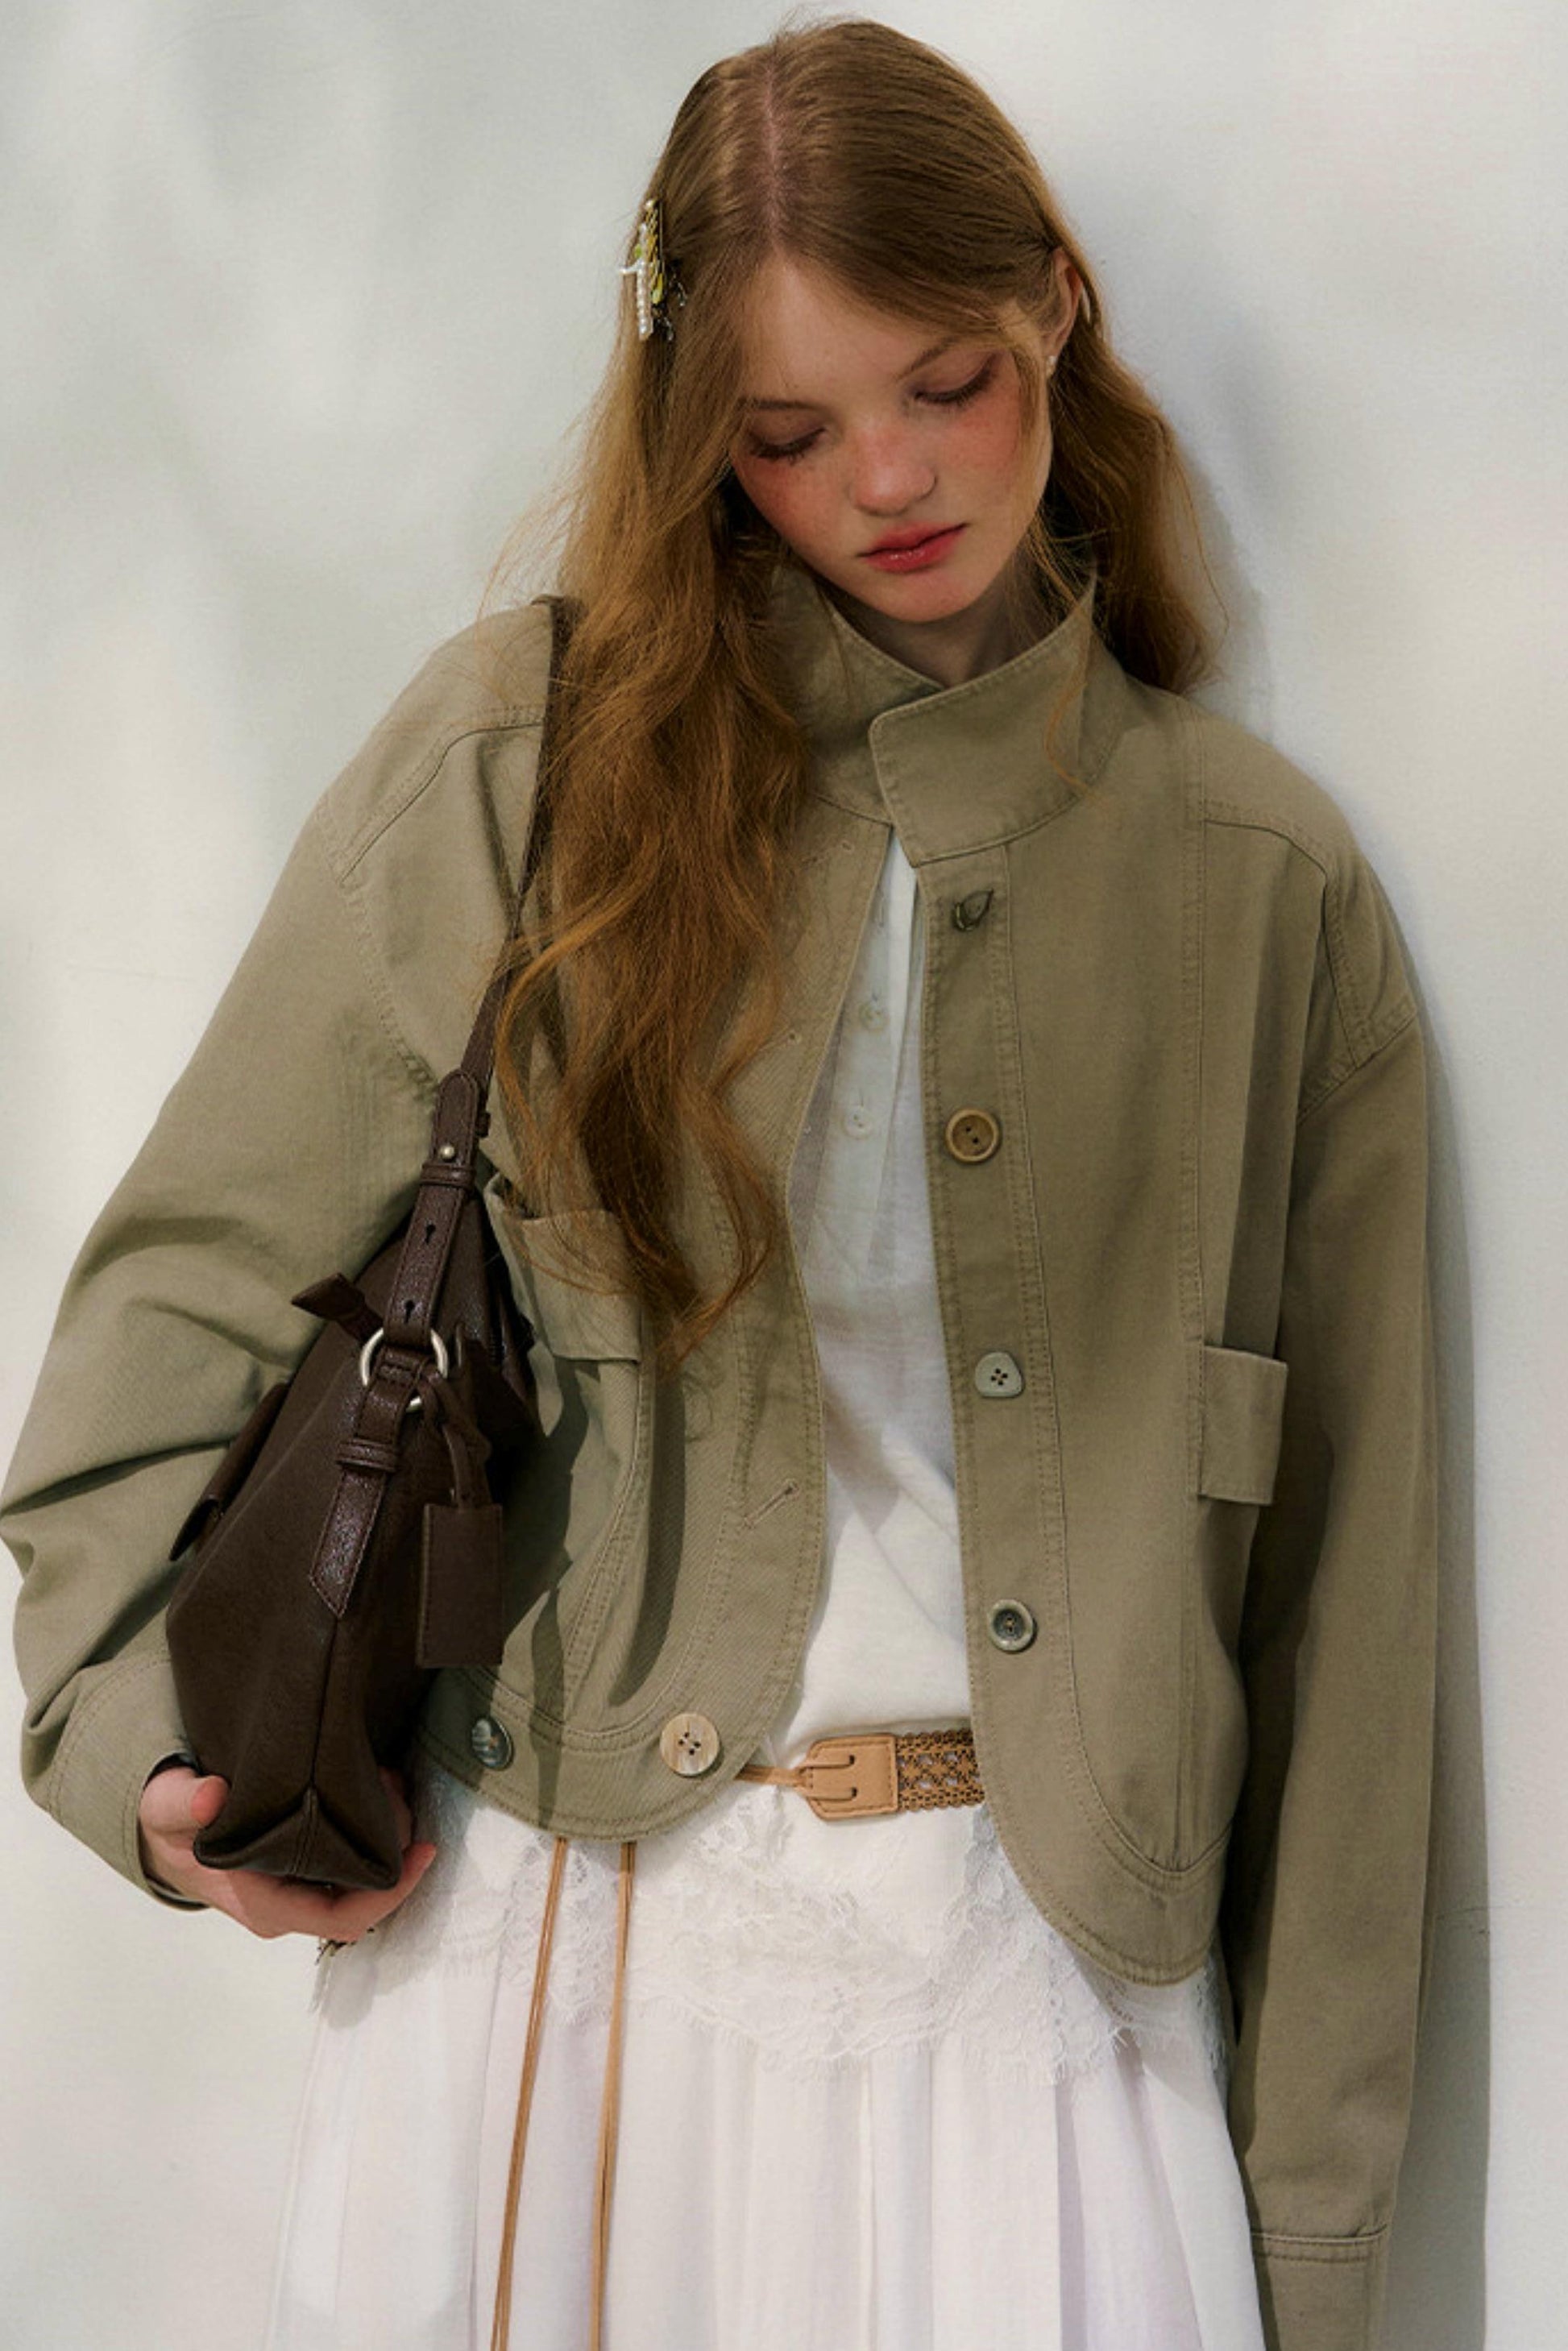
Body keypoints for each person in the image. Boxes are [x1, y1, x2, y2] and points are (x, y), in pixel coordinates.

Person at [2, 15, 1438, 2351]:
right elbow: (174, 1318)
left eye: (945, 382)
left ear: (1055, 308)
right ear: (697, 434)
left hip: (1047, 2042)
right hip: (561, 1988)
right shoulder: (524, 765)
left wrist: (1327, 2247)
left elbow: (1351, 1636)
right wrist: (143, 1753)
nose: (888, 475)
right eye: (785, 432)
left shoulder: (1261, 892)